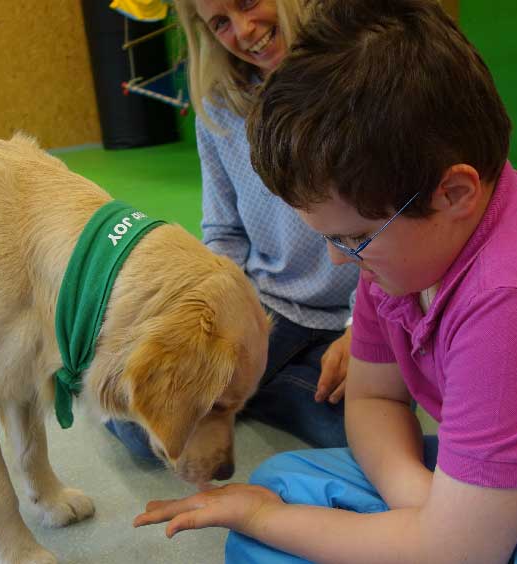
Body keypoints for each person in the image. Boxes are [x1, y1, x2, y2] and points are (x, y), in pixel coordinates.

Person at [130, 1, 517, 562]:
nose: (337, 260)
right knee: (283, 480)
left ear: (453, 194)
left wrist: (268, 517)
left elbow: (460, 553)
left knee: (272, 519)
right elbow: (374, 397)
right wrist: (417, 503)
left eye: (353, 239)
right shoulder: (405, 255)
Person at [105, 0, 359, 458]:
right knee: (145, 433)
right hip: (266, 306)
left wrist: (361, 328)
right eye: (220, 22)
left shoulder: (354, 78)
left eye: (247, 3)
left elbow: (386, 231)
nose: (244, 31)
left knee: (358, 432)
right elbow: (223, 231)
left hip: (361, 310)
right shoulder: (220, 107)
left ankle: (254, 388)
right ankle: (261, 384)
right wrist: (220, 313)